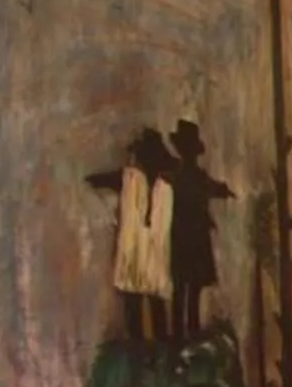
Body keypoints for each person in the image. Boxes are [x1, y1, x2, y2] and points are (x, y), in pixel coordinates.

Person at [84, 126, 173, 342]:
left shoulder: (129, 179)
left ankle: (141, 353)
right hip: (152, 260)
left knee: (136, 310)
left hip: (136, 259)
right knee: (155, 308)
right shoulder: (166, 185)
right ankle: (155, 355)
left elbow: (94, 180)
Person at [162, 118, 234, 341]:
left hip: (182, 238)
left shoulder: (175, 176)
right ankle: (188, 333)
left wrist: (223, 190)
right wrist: (224, 191)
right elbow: (216, 189)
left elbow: (216, 189)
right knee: (190, 289)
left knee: (182, 289)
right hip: (192, 238)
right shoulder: (192, 177)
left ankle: (180, 335)